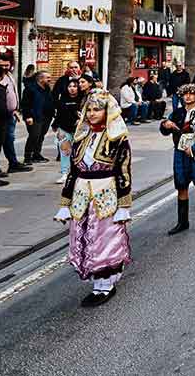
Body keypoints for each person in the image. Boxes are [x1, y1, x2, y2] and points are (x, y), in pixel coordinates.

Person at [52, 89, 132, 306]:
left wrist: (124, 204)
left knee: (104, 239)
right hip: (81, 196)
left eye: (97, 109)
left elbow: (123, 171)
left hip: (106, 195)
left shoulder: (117, 139)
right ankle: (98, 281)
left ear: (107, 112)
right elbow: (74, 172)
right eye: (89, 109)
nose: (92, 114)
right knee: (84, 236)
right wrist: (65, 202)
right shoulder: (81, 138)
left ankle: (105, 285)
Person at [161, 84, 195, 234]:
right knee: (181, 186)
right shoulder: (178, 112)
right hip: (180, 154)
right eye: (185, 94)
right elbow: (165, 130)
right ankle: (182, 222)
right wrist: (165, 125)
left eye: (191, 94)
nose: (188, 96)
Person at [51, 77, 84, 185]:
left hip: (79, 129)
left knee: (80, 151)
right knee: (65, 151)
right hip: (64, 128)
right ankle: (65, 173)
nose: (72, 89)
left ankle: (79, 172)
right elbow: (59, 114)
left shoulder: (83, 99)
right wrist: (55, 125)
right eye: (70, 86)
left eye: (75, 86)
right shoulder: (63, 99)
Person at [20, 70, 54, 165]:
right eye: (47, 77)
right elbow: (25, 104)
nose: (50, 79)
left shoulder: (47, 88)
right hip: (34, 117)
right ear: (40, 79)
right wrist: (28, 116)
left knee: (41, 136)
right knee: (34, 136)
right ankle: (27, 157)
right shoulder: (30, 89)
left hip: (46, 117)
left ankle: (36, 154)